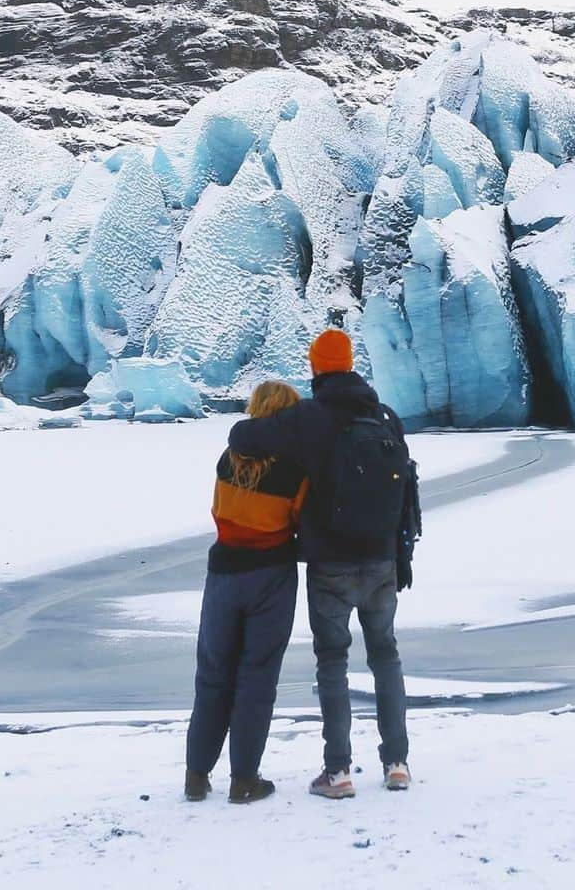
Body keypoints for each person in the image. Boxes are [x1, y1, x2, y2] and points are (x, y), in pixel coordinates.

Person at [227, 329, 417, 799]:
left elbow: (242, 436)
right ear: (352, 364)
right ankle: (397, 763)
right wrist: (403, 555)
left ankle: (338, 772)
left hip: (330, 564)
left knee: (333, 662)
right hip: (382, 561)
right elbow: (408, 490)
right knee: (385, 656)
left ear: (315, 368)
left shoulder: (308, 419)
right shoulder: (385, 416)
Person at [184, 380, 306, 804]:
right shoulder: (294, 466)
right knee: (258, 676)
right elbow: (301, 521)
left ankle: (196, 776)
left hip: (223, 573)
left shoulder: (226, 458)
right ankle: (244, 779)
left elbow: (219, 510)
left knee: (213, 674)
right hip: (271, 575)